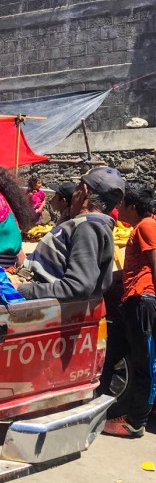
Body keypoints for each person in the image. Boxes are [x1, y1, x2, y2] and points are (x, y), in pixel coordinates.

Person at [16, 166, 125, 301]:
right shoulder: (89, 224)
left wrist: (22, 289)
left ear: (84, 190)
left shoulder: (88, 226)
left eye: (77, 187)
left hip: (39, 302)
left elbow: (79, 286)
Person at [101, 181, 156, 438]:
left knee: (143, 363)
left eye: (122, 204)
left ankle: (135, 423)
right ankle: (99, 405)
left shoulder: (146, 226)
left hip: (143, 301)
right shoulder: (141, 227)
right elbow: (137, 266)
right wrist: (108, 278)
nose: (118, 208)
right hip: (132, 299)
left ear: (132, 207)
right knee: (113, 352)